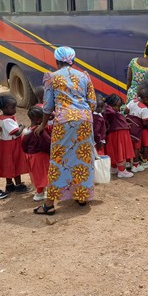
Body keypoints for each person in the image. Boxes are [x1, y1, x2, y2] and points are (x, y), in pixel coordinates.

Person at [33, 46, 96, 215]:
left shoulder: (51, 78)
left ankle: (49, 204)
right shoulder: (84, 76)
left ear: (56, 61)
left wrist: (43, 125)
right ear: (73, 60)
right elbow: (92, 102)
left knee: (59, 160)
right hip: (85, 120)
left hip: (64, 121)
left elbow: (47, 107)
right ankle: (81, 196)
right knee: (83, 157)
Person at [0, 95, 29, 193]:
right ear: (4, 109)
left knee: (8, 165)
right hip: (12, 145)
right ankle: (18, 185)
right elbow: (17, 133)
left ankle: (9, 184)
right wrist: (22, 127)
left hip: (6, 144)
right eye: (13, 107)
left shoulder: (4, 118)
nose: (15, 109)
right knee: (15, 164)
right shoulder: (8, 121)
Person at [21, 106, 50, 202]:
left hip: (31, 156)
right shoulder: (39, 131)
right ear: (38, 120)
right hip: (40, 156)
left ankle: (40, 191)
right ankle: (40, 193)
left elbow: (23, 145)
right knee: (43, 174)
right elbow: (47, 143)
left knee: (36, 174)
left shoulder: (27, 131)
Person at [103, 93, 136, 179]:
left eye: (119, 106)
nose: (117, 108)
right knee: (118, 152)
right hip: (116, 133)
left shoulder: (115, 112)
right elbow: (109, 111)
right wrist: (107, 105)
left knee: (117, 151)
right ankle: (121, 171)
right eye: (115, 106)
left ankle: (114, 168)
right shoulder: (109, 112)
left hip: (119, 132)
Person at [126, 87, 148, 172]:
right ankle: (135, 165)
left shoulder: (132, 101)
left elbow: (126, 111)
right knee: (136, 147)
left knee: (129, 145)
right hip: (137, 130)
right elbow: (145, 122)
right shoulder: (144, 108)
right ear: (146, 99)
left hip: (129, 128)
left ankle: (127, 163)